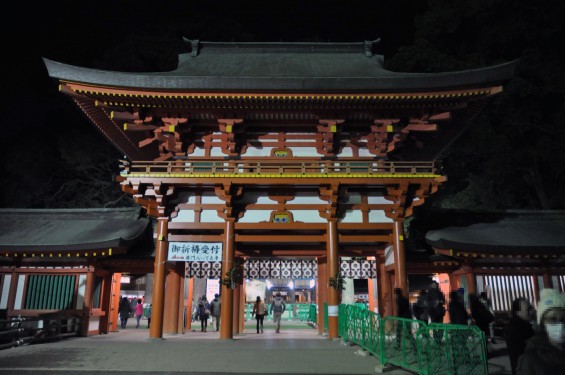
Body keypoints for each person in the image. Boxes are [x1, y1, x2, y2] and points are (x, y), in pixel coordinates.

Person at [517, 288, 565, 374]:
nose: (560, 324)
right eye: (552, 319)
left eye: (563, 319)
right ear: (543, 324)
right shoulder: (530, 360)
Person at [505, 297, 534, 375]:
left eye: (531, 308)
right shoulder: (515, 328)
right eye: (528, 310)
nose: (531, 312)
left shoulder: (523, 324)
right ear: (517, 312)